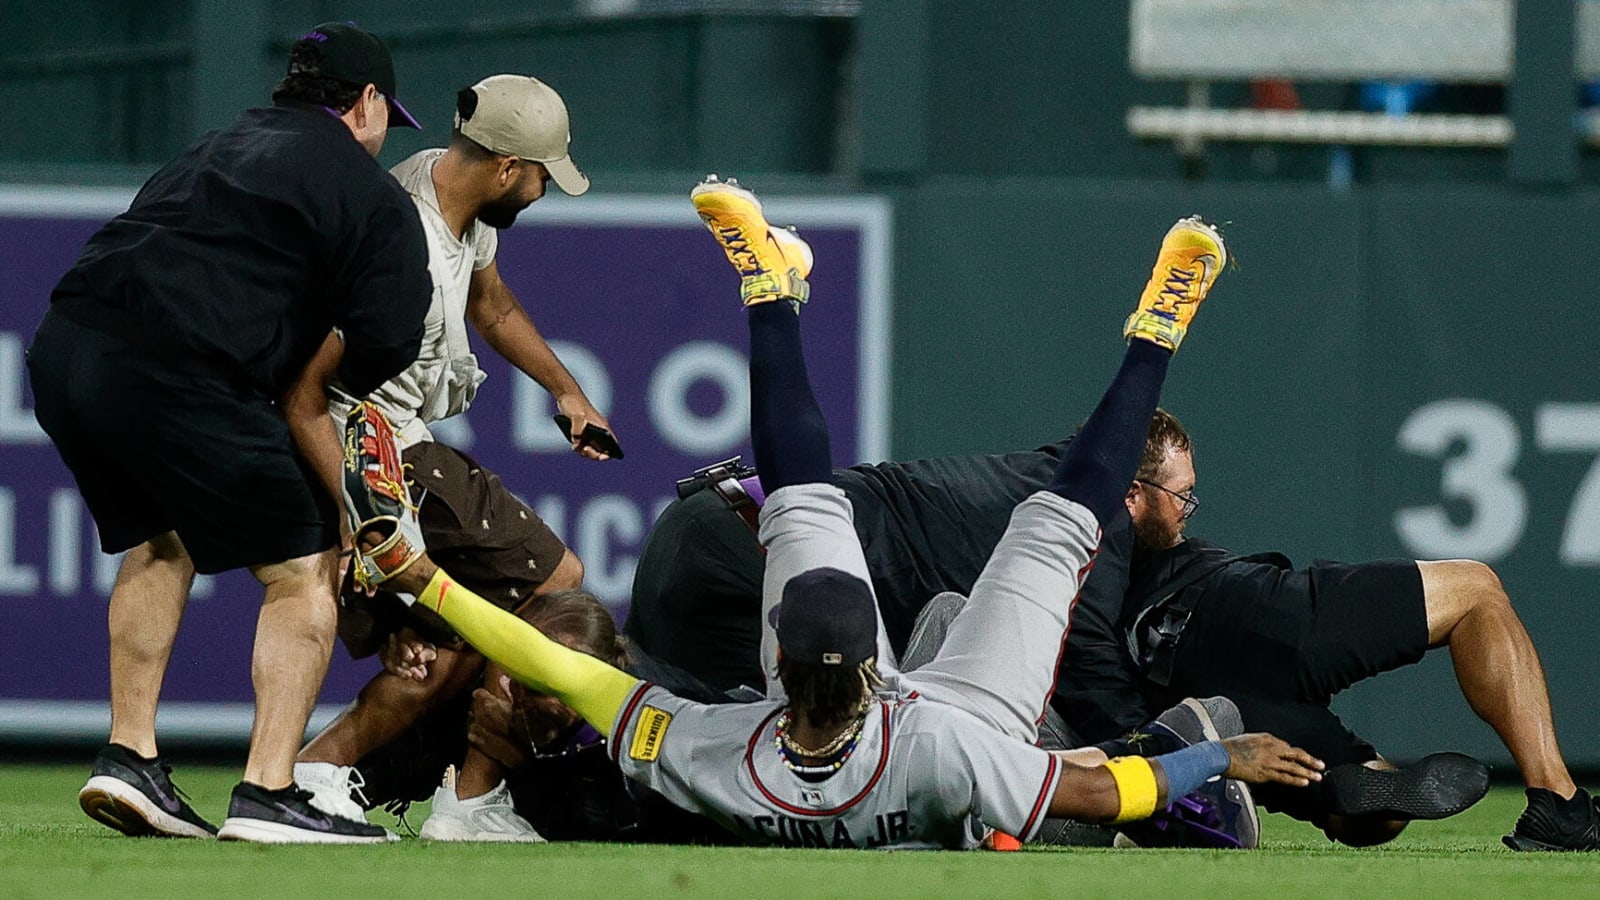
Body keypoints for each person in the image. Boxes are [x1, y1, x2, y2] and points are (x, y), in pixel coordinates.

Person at [337, 177, 1327, 848]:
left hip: (844, 755)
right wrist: (1216, 756)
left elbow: (552, 664)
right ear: (869, 662)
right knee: (1059, 518)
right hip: (973, 723)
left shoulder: (723, 753)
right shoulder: (945, 748)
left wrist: (418, 575)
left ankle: (778, 288)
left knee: (890, 508)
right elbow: (1109, 789)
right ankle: (1155, 319)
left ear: (778, 666)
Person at [26, 23, 431, 843]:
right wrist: (351, 504)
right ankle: (269, 790)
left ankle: (128, 754)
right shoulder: (370, 193)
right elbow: (381, 344)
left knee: (160, 536)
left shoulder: (218, 144)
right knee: (302, 563)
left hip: (66, 348)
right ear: (367, 105)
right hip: (179, 368)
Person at [279, 73, 616, 842]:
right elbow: (311, 386)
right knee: (552, 582)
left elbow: (491, 305)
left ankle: (338, 775)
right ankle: (423, 791)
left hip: (401, 447)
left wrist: (566, 392)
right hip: (378, 452)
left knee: (440, 645)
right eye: (540, 176)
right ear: (505, 168)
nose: (541, 191)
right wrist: (353, 512)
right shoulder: (405, 245)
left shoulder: (449, 180)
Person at [1055, 410, 1600, 852]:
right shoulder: (1114, 548)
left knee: (1369, 808)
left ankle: (1348, 785)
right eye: (1180, 496)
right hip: (1236, 610)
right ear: (1130, 493)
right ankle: (1560, 803)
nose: (1187, 511)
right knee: (1476, 589)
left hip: (1206, 706)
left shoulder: (1062, 558)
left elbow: (1092, 686)